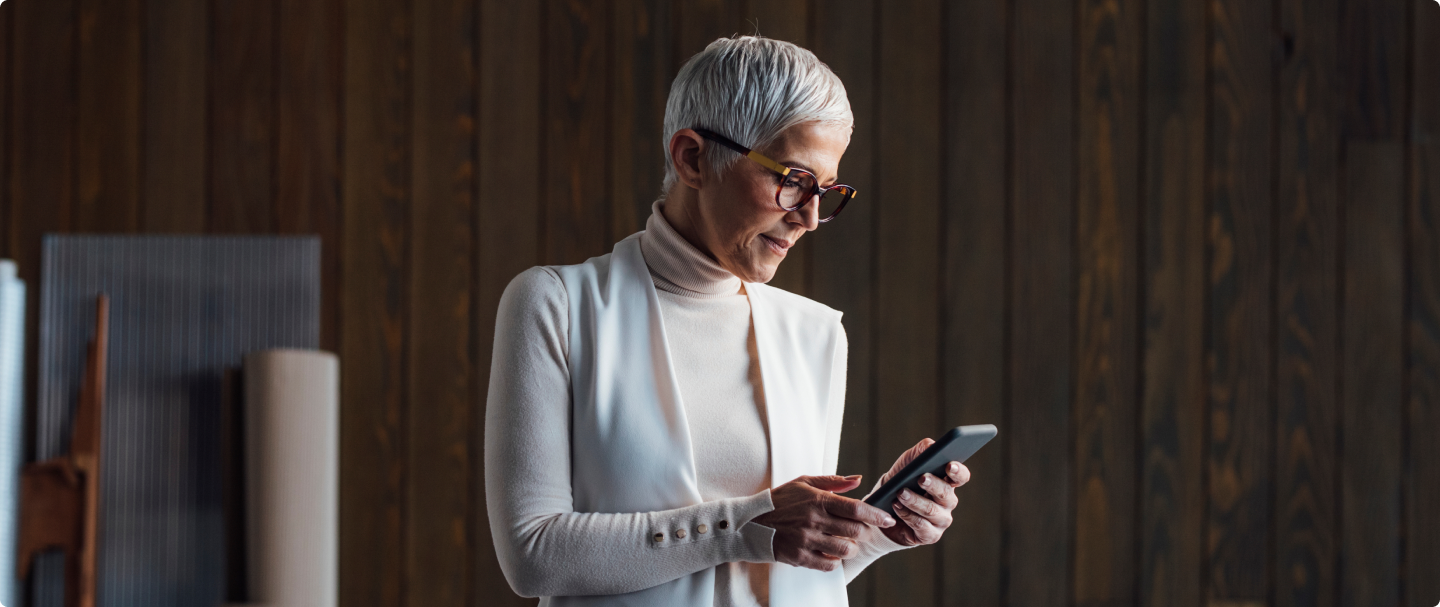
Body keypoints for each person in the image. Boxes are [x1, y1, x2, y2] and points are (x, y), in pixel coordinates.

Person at [484, 35, 971, 607]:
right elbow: (532, 555)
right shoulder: (555, 305)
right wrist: (749, 522)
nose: (811, 218)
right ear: (691, 157)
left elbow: (780, 567)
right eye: (793, 180)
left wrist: (875, 532)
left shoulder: (815, 335)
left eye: (827, 190)